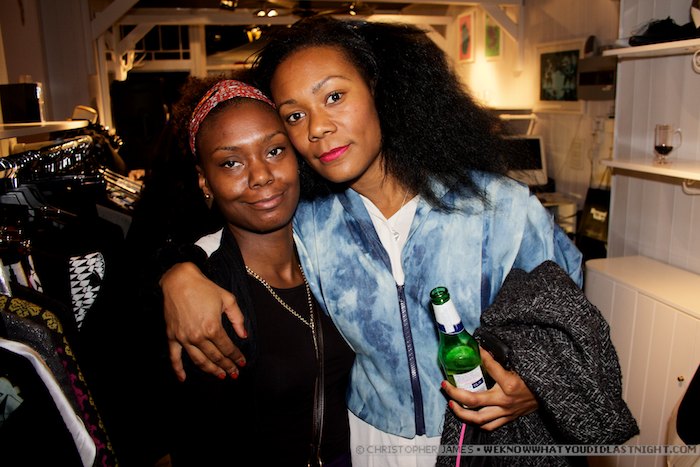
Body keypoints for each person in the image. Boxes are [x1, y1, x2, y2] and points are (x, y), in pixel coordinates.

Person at [160, 17, 583, 467]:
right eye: (295, 115)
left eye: (334, 96)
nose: (318, 128)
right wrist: (177, 272)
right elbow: (223, 240)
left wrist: (539, 385)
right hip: (369, 446)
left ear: (379, 90)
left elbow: (570, 318)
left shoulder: (500, 209)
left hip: (487, 444)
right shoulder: (309, 222)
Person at [164, 76, 354, 466]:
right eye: (231, 162)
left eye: (274, 151)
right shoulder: (206, 297)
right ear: (205, 181)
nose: (261, 176)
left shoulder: (339, 250)